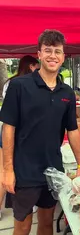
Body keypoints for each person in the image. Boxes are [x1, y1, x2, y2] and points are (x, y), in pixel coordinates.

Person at [0, 29, 80, 235]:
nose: (52, 55)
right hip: (24, 170)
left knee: (46, 222)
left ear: (63, 56)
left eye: (57, 51)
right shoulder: (19, 86)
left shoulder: (67, 92)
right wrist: (7, 170)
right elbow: (8, 128)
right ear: (39, 54)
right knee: (22, 228)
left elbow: (73, 130)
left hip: (52, 171)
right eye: (48, 50)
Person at [0, 55, 40, 219]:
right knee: (15, 168)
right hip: (18, 131)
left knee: (4, 169)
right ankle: (29, 202)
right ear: (31, 66)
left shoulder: (9, 83)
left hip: (6, 128)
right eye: (37, 66)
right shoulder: (26, 85)